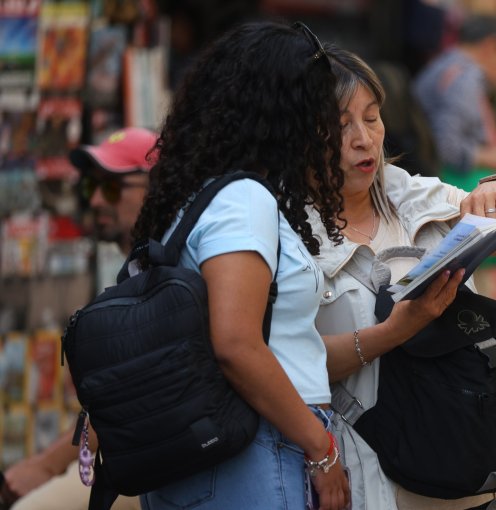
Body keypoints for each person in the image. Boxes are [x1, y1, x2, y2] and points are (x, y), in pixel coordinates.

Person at [311, 44, 496, 509]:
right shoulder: (292, 234)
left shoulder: (415, 196)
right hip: (373, 477)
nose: (364, 139)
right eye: (341, 125)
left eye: (371, 117)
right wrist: (394, 332)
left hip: (466, 469)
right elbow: (286, 362)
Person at [129, 22, 350, 509]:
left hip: (228, 450)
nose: (328, 129)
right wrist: (321, 450)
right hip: (257, 446)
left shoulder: (197, 195)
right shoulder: (242, 200)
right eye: (321, 110)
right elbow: (236, 343)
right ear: (286, 114)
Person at [0, 127, 157, 510]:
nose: (99, 199)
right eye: (91, 187)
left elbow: (127, 394)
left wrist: (47, 465)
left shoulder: (161, 270)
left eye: (114, 188)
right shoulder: (123, 266)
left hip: (156, 460)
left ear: (156, 187)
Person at [413, 14, 496, 191]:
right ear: (491, 46)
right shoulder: (465, 78)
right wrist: (491, 157)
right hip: (450, 183)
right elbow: (445, 147)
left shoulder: (444, 64)